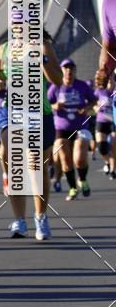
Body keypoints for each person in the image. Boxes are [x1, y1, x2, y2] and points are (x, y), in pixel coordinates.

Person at [0, 32, 62, 239]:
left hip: (37, 111)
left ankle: (40, 217)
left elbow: (57, 79)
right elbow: (6, 76)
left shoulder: (43, 45)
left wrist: (41, 57)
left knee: (36, 166)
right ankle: (19, 220)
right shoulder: (4, 48)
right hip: (12, 109)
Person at [48, 58, 96, 201]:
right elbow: (46, 104)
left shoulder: (82, 86)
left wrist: (86, 108)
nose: (69, 71)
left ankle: (83, 180)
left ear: (75, 71)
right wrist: (55, 106)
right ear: (62, 71)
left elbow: (93, 101)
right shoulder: (56, 87)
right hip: (61, 128)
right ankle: (73, 187)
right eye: (65, 68)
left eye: (71, 68)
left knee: (79, 159)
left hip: (81, 125)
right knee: (65, 159)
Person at [93, 72, 115, 179]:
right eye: (108, 78)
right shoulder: (99, 91)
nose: (110, 80)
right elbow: (91, 103)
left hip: (113, 121)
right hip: (101, 121)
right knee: (102, 147)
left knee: (113, 146)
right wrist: (95, 108)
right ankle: (108, 162)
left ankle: (112, 170)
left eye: (112, 78)